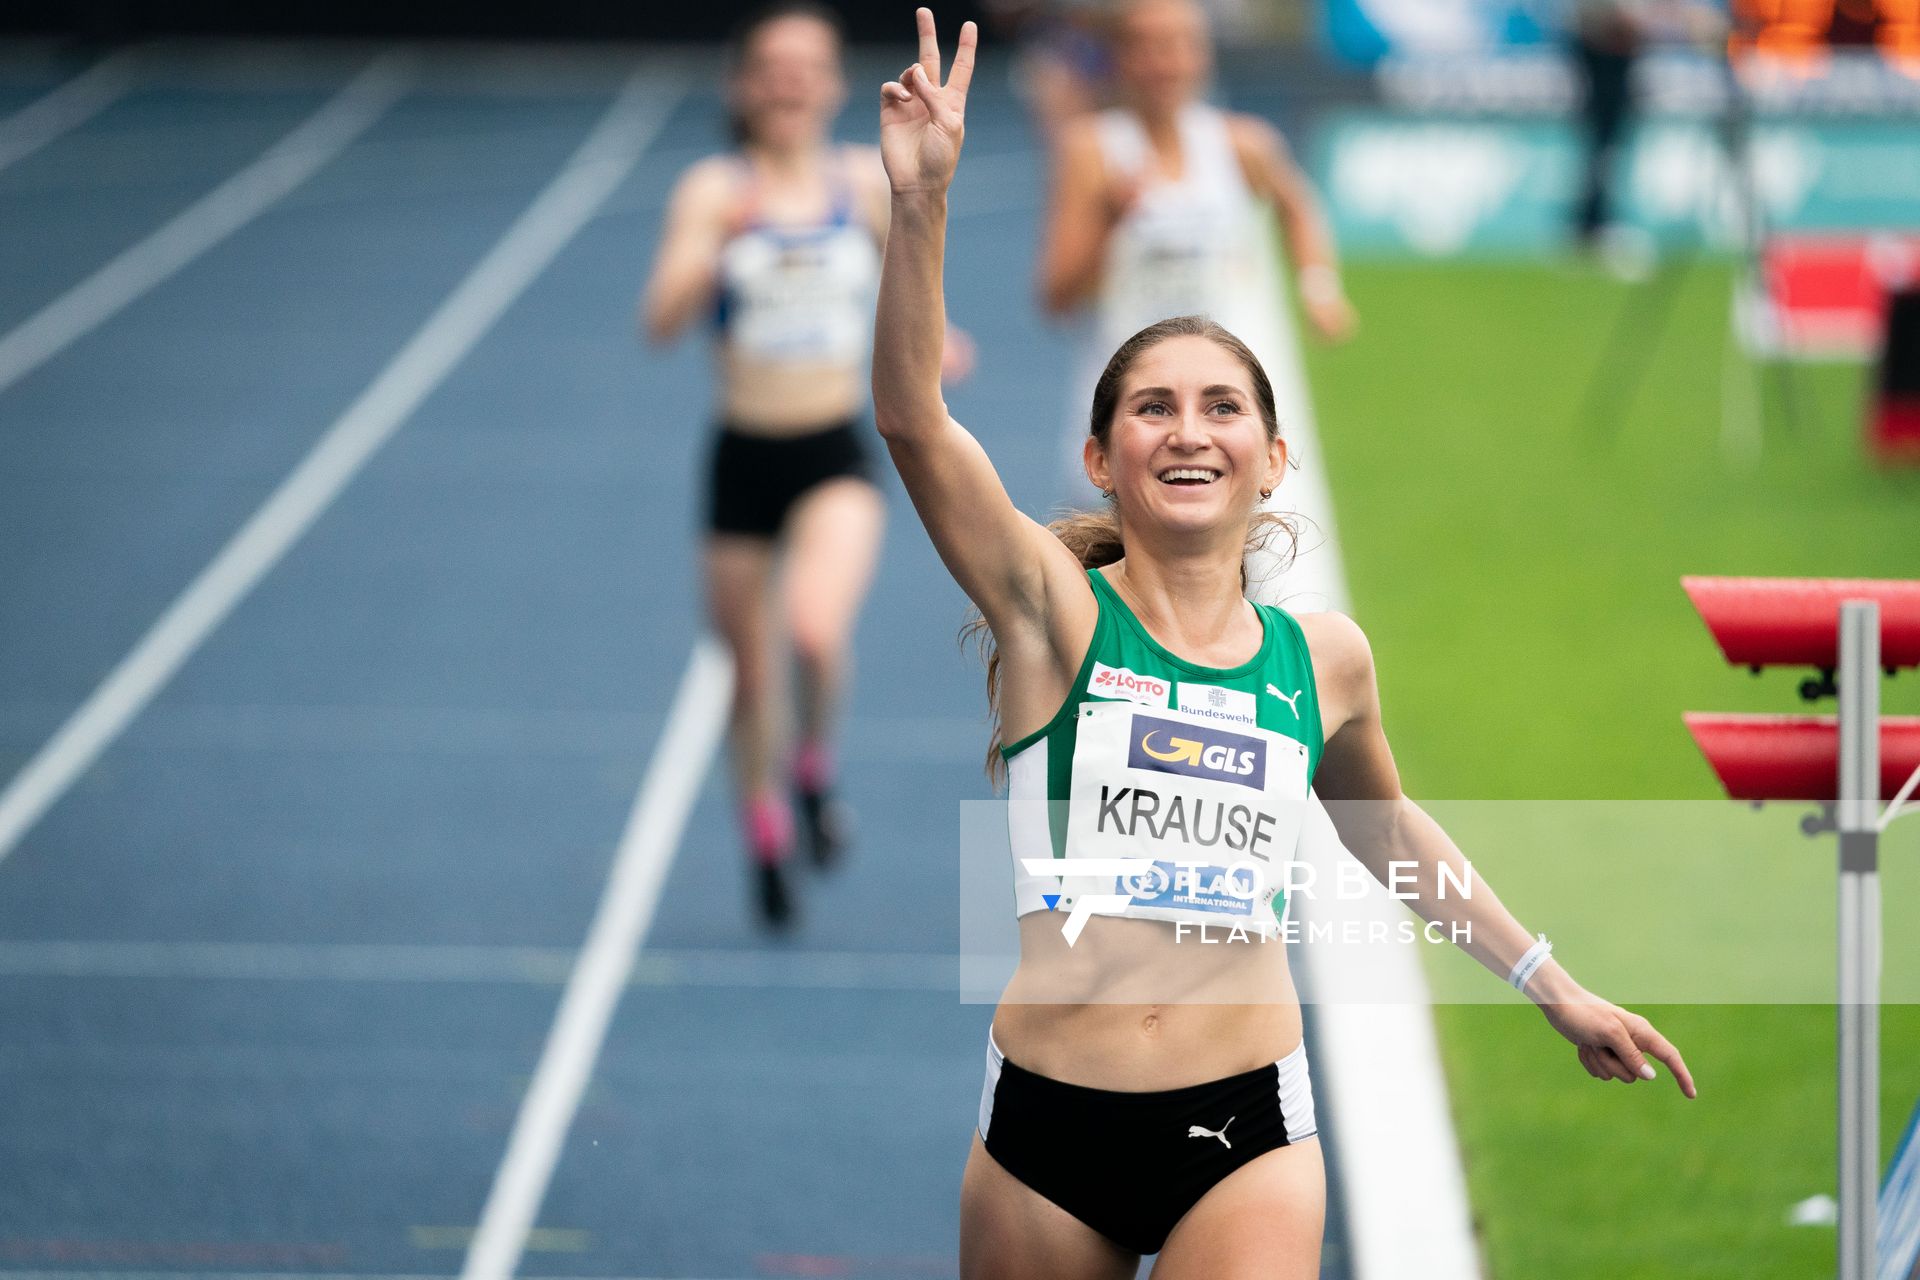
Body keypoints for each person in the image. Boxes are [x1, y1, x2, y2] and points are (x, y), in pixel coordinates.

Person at [873, 12, 1696, 1277]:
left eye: (1221, 407)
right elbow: (917, 420)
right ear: (1103, 456)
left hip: (1246, 1133)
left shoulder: (1325, 659)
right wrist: (921, 204)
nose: (1187, 431)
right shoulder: (1054, 612)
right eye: (1152, 406)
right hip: (1047, 1134)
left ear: (1272, 454)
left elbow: (1389, 833)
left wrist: (1550, 981)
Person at [643, 2, 970, 928]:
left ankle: (813, 768)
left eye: (808, 66)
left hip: (832, 446)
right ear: (744, 85)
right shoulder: (714, 189)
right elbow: (660, 322)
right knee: (746, 678)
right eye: (772, 67)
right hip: (742, 457)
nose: (789, 82)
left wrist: (944, 345)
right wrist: (717, 249)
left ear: (832, 85)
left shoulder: (857, 185)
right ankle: (764, 836)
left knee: (815, 633)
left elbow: (912, 280)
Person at [1038, 0, 1353, 605]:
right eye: (1148, 45)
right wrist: (1110, 218)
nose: (1165, 61)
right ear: (1122, 59)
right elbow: (1057, 295)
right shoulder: (1092, 151)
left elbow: (1299, 206)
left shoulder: (1241, 144)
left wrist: (1319, 288)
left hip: (1225, 405)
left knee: (1261, 582)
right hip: (1132, 402)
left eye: (1180, 43)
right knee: (1108, 591)